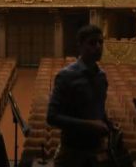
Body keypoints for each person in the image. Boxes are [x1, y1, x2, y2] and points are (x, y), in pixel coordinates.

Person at [47, 24, 111, 167]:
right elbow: (52, 117)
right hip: (72, 152)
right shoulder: (66, 76)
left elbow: (98, 110)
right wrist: (90, 125)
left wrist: (107, 123)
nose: (98, 46)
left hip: (97, 150)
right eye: (92, 43)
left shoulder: (101, 77)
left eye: (101, 42)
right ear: (80, 46)